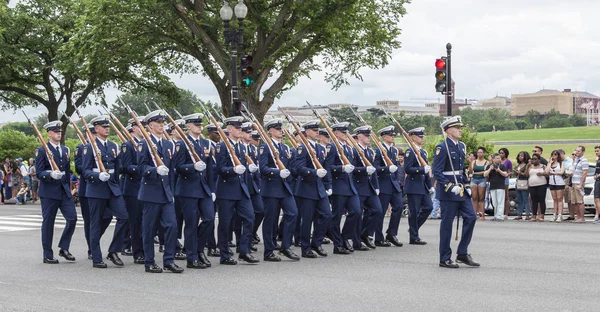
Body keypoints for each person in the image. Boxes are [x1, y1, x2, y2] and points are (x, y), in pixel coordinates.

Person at [137, 110, 185, 273]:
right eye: (158, 123)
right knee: (149, 229)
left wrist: (171, 191)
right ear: (150, 126)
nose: (161, 126)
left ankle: (169, 260)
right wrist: (154, 170)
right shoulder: (144, 143)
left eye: (163, 123)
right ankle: (149, 261)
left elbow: (171, 171)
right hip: (151, 192)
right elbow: (141, 167)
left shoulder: (167, 144)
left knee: (172, 226)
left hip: (166, 193)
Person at [82, 115, 129, 269]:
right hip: (96, 189)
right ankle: (96, 257)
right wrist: (97, 175)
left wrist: (114, 181)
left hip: (112, 188)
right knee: (95, 223)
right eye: (103, 126)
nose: (107, 129)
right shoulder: (90, 147)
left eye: (107, 126)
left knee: (124, 216)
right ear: (96, 129)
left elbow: (118, 168)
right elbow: (85, 171)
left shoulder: (113, 146)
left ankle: (114, 250)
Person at [432, 116, 479, 269]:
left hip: (461, 191)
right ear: (449, 131)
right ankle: (444, 258)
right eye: (457, 128)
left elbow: (461, 170)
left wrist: (466, 185)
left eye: (460, 127)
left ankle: (462, 253)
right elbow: (437, 171)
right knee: (447, 225)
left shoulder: (461, 147)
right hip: (448, 192)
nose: (460, 130)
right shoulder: (442, 147)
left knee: (471, 217)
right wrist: (449, 186)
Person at [173, 113, 216, 269]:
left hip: (204, 188)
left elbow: (210, 168)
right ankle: (192, 258)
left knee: (209, 219)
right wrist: (192, 167)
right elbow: (177, 167)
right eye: (196, 124)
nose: (199, 126)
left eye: (200, 124)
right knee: (191, 223)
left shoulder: (206, 143)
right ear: (188, 126)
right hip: (188, 189)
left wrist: (212, 189)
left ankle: (198, 249)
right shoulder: (182, 144)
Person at [214, 116, 258, 265]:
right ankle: (224, 254)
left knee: (250, 217)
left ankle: (244, 250)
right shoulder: (221, 147)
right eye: (238, 128)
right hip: (226, 191)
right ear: (230, 129)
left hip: (241, 190)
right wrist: (233, 170)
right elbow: (219, 169)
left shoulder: (240, 147)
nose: (240, 130)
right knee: (226, 224)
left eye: (241, 128)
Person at [35, 120, 77, 264]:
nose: (59, 134)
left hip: (64, 190)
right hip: (49, 192)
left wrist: (70, 187)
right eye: (56, 132)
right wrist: (51, 174)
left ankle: (64, 248)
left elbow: (66, 171)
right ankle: (47, 254)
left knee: (72, 219)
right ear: (49, 134)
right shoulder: (41, 150)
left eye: (60, 132)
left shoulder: (65, 150)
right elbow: (39, 172)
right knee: (48, 223)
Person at [259, 119, 301, 261]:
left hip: (284, 188)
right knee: (270, 219)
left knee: (293, 213)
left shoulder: (284, 148)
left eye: (280, 128)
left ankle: (286, 246)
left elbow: (290, 167)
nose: (280, 131)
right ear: (270, 131)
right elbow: (263, 168)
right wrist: (277, 172)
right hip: (271, 188)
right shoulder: (265, 147)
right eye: (276, 129)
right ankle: (269, 251)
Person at [326, 122, 360, 254]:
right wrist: (341, 168)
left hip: (350, 187)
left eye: (347, 132)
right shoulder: (332, 147)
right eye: (343, 133)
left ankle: (345, 237)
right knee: (337, 217)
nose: (346, 135)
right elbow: (328, 167)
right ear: (336, 133)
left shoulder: (349, 148)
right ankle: (337, 244)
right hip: (338, 186)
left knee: (356, 212)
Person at [119, 115, 146, 264]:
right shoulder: (127, 145)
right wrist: (141, 169)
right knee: (135, 222)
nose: (144, 128)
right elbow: (125, 167)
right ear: (134, 128)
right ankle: (138, 252)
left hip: (146, 187)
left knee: (146, 222)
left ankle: (145, 249)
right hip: (133, 188)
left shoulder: (147, 144)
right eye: (141, 126)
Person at [373, 125, 404, 247]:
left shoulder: (394, 150)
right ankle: (378, 237)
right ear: (384, 137)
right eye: (390, 135)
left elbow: (396, 168)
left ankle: (391, 233)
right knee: (381, 211)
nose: (392, 137)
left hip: (393, 185)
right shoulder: (378, 150)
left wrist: (397, 181)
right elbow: (374, 168)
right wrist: (386, 169)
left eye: (393, 135)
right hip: (383, 184)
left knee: (399, 207)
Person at [352, 125, 382, 250]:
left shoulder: (370, 151)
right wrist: (364, 170)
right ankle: (356, 241)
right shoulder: (354, 150)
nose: (368, 138)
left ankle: (365, 234)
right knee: (358, 214)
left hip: (370, 187)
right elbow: (352, 169)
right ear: (359, 137)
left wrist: (376, 186)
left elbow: (373, 170)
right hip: (358, 186)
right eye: (366, 136)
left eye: (369, 136)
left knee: (378, 211)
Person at [403, 127, 433, 245]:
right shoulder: (410, 152)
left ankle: (413, 228)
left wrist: (430, 185)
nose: (422, 138)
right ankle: (414, 237)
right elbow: (408, 169)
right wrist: (421, 170)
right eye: (420, 137)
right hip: (413, 186)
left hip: (422, 186)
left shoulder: (423, 152)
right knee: (414, 211)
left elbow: (426, 172)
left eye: (422, 136)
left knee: (428, 207)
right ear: (413, 138)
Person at [484, 153, 508, 221]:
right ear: (493, 159)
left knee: (500, 201)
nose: (499, 159)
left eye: (499, 158)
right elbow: (485, 174)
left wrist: (499, 170)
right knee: (494, 202)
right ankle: (496, 215)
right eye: (497, 158)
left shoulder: (502, 166)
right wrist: (490, 169)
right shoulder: (489, 166)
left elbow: (505, 174)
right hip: (492, 186)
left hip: (500, 186)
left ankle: (500, 216)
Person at [569, 146, 588, 223]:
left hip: (578, 182)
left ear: (583, 152)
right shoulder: (576, 160)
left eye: (578, 151)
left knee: (580, 201)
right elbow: (573, 169)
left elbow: (585, 173)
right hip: (573, 182)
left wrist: (580, 184)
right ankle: (578, 217)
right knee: (575, 201)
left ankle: (582, 217)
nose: (576, 153)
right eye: (576, 151)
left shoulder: (584, 160)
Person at [526, 153, 547, 222]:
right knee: (534, 201)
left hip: (541, 184)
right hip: (532, 185)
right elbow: (526, 175)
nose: (534, 160)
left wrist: (542, 174)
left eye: (535, 159)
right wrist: (527, 167)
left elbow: (548, 174)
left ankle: (542, 216)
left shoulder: (543, 166)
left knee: (541, 200)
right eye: (533, 159)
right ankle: (534, 215)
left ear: (539, 159)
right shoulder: (530, 167)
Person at [546, 150, 565, 222]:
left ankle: (560, 214)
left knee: (559, 198)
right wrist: (550, 163)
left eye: (555, 155)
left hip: (559, 182)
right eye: (553, 155)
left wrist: (553, 173)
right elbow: (547, 171)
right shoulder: (550, 163)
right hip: (552, 182)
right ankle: (555, 214)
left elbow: (562, 172)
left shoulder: (561, 163)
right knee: (554, 199)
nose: (554, 156)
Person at [469, 147, 488, 220]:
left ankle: (482, 215)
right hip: (474, 179)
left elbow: (486, 171)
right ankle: (474, 214)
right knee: (474, 197)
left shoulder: (486, 162)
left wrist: (476, 172)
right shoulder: (474, 161)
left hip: (482, 179)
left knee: (481, 198)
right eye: (478, 152)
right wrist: (470, 162)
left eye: (481, 152)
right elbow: (471, 171)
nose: (479, 154)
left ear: (483, 153)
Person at [513, 151, 531, 220]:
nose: (520, 157)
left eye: (522, 156)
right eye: (519, 156)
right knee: (519, 199)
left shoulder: (527, 165)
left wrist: (521, 173)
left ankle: (527, 214)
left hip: (525, 182)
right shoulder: (518, 165)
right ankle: (519, 214)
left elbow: (527, 174)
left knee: (525, 199)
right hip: (518, 182)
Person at [498, 148, 512, 219]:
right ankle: (499, 212)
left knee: (506, 196)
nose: (501, 154)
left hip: (505, 179)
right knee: (499, 196)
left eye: (502, 153)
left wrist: (506, 174)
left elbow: (511, 171)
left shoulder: (508, 162)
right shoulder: (498, 161)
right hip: (497, 179)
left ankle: (506, 213)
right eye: (500, 153)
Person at [593, 145, 600, 224]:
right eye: (595, 151)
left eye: (597, 151)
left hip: (599, 181)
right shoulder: (598, 160)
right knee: (597, 200)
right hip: (597, 180)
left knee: (597, 199)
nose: (596, 152)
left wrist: (598, 176)